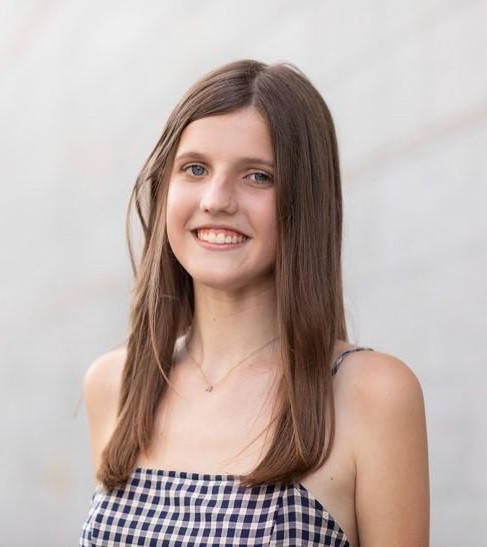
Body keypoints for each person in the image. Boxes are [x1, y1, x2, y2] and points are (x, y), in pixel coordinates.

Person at [79, 59, 430, 546]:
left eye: (258, 176)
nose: (216, 199)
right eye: (195, 168)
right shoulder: (115, 384)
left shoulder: (373, 394)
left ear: (304, 201)